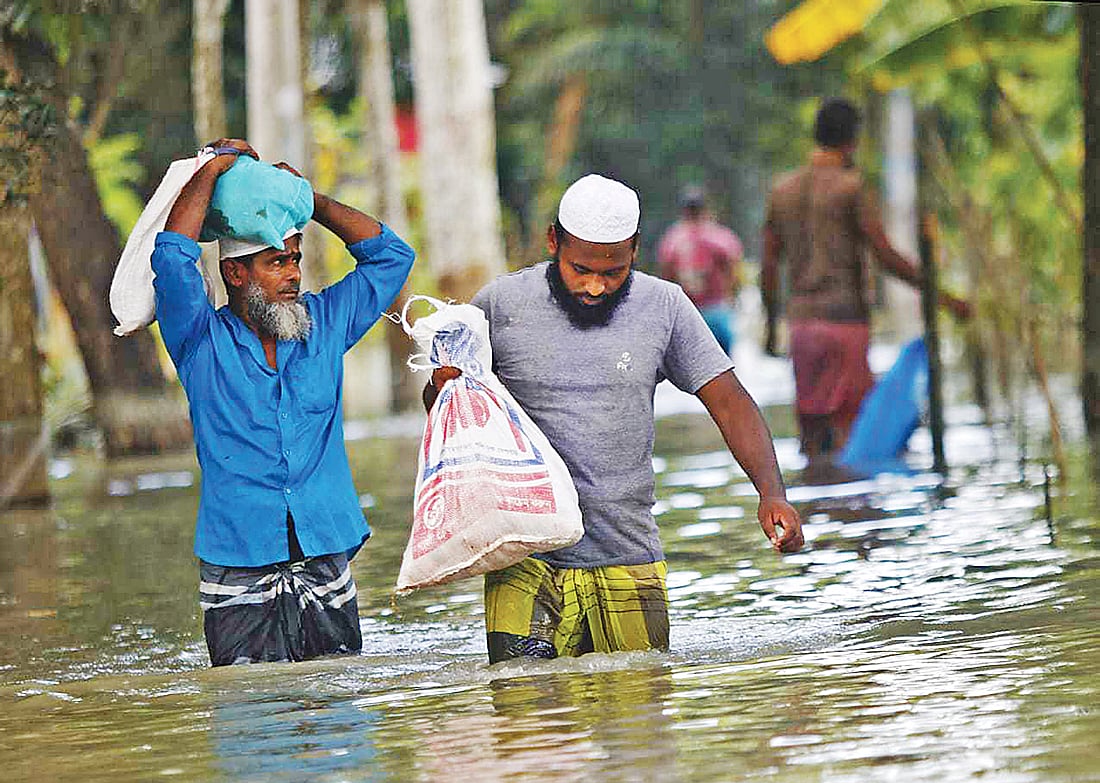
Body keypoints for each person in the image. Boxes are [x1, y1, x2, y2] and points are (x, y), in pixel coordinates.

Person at [425, 174, 803, 664]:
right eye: (580, 269)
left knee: (640, 713)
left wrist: (772, 493)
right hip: (524, 558)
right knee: (522, 713)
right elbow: (444, 412)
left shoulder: (664, 307)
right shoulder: (500, 306)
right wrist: (442, 384)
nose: (595, 286)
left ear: (635, 251)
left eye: (614, 272)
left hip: (628, 554)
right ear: (552, 241)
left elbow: (729, 401)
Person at [153, 137, 415, 666]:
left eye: (295, 260)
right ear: (235, 274)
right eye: (277, 263)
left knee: (338, 709)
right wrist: (213, 170)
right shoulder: (199, 341)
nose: (294, 274)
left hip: (325, 553)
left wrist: (305, 198)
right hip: (238, 564)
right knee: (252, 716)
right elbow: (173, 256)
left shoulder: (325, 325)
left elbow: (392, 257)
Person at [761, 98, 970, 460]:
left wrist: (770, 327)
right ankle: (857, 514)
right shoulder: (851, 187)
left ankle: (813, 510)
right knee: (853, 434)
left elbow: (767, 267)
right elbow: (886, 257)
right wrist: (946, 298)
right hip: (845, 322)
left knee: (811, 437)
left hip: (803, 327)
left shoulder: (782, 191)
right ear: (853, 140)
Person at [656, 186, 744, 355]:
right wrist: (732, 297)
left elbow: (666, 275)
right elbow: (734, 269)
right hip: (716, 311)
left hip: (687, 315)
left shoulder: (673, 239)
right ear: (706, 209)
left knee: (688, 374)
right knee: (723, 369)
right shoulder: (720, 236)